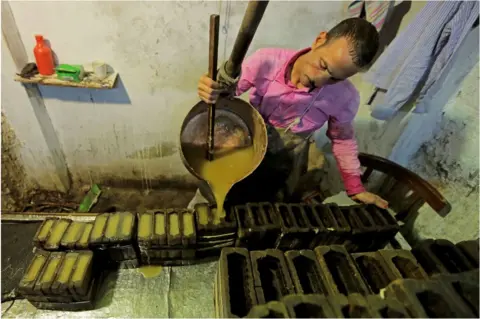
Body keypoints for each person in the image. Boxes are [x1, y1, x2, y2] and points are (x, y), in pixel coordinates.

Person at [191, 17, 388, 210]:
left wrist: (355, 188)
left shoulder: (345, 97)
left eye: (334, 79)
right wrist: (212, 87)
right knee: (213, 197)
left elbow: (343, 140)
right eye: (322, 65)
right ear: (320, 40)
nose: (320, 80)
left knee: (264, 207)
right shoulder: (267, 61)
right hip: (248, 144)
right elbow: (226, 92)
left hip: (286, 160)